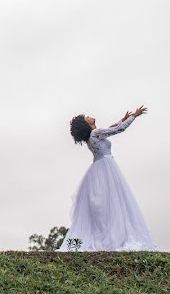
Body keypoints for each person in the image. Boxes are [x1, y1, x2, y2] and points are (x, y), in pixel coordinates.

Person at [64, 105, 155, 251]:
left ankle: (107, 233)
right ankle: (114, 235)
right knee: (115, 200)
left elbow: (111, 127)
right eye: (86, 117)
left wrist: (122, 119)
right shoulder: (96, 133)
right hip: (106, 167)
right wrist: (134, 116)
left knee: (109, 203)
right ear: (86, 123)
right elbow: (118, 129)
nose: (89, 116)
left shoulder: (91, 137)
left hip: (97, 169)